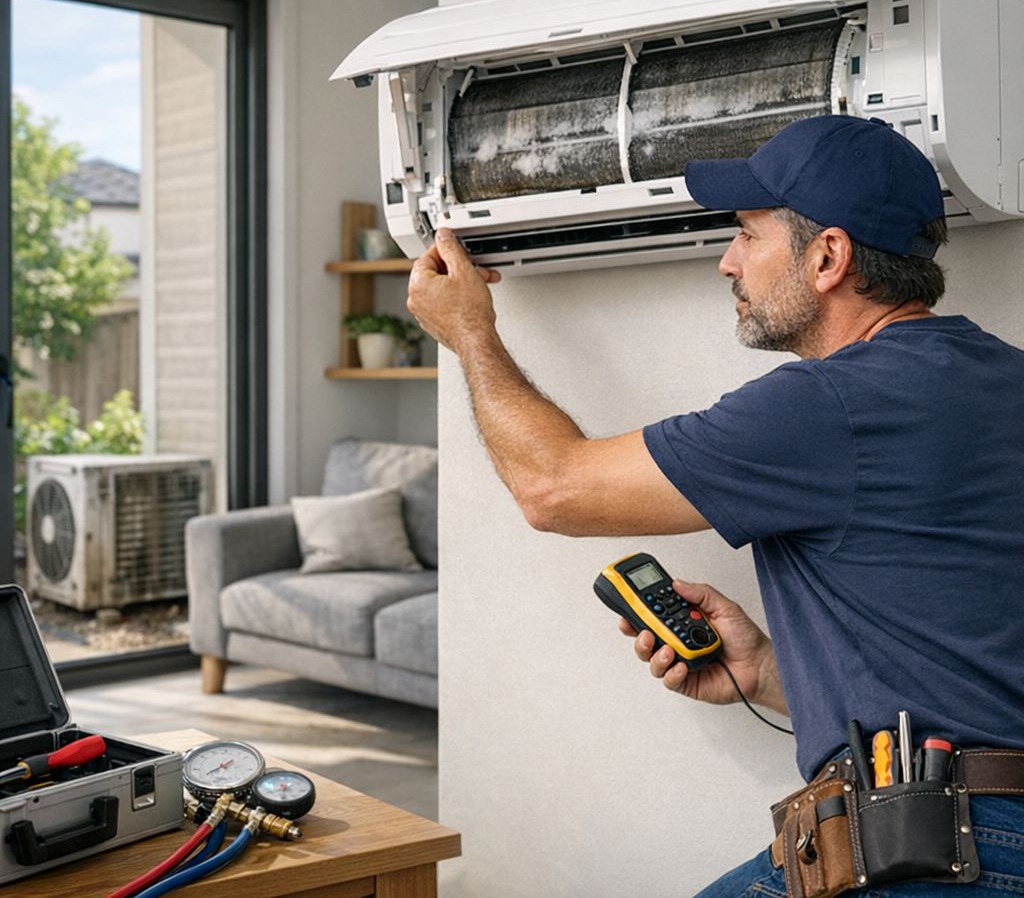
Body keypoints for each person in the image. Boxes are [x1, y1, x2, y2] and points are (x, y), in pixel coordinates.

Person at [406, 115, 1024, 896]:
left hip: (941, 850)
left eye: (746, 234)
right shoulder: (1005, 379)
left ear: (828, 256)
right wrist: (767, 671)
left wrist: (468, 333)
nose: (728, 262)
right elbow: (972, 670)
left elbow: (552, 487)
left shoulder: (827, 404)